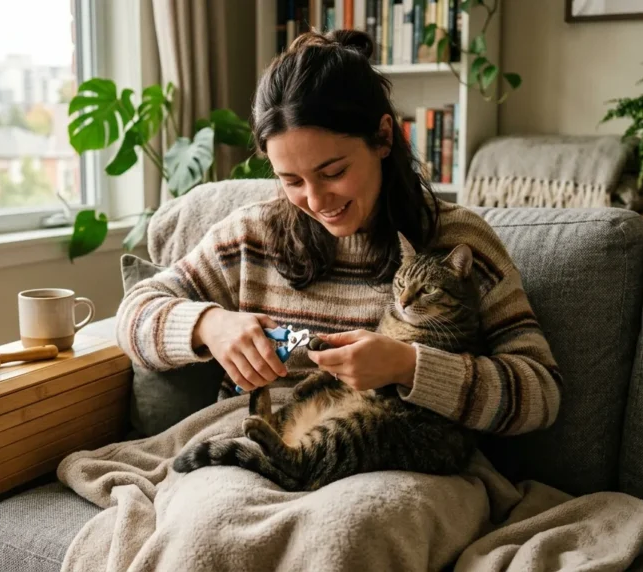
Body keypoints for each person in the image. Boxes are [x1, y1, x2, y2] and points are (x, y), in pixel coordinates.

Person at [116, 29, 561, 438]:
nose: (315, 200)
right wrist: (209, 325)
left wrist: (409, 367)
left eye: (333, 172)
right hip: (263, 446)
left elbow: (541, 395)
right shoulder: (251, 236)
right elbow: (133, 316)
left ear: (383, 138)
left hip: (394, 459)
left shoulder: (455, 241)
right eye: (291, 180)